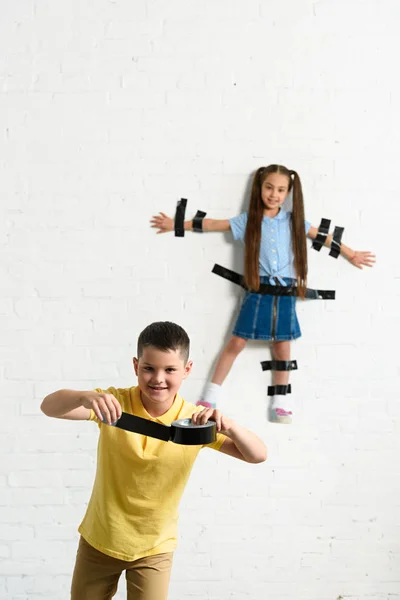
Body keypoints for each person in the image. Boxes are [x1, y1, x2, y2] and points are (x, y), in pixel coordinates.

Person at [40, 321, 267, 600]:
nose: (158, 378)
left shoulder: (195, 423)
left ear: (187, 370)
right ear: (136, 366)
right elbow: (49, 408)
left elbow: (257, 455)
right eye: (149, 368)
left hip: (154, 549)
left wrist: (229, 426)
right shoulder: (114, 405)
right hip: (99, 539)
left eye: (170, 369)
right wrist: (84, 397)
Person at [151, 164, 376, 423]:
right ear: (260, 188)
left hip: (286, 293)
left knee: (282, 347)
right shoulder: (249, 220)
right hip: (259, 291)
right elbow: (214, 223)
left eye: (281, 190)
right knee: (236, 343)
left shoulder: (294, 222)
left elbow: (323, 237)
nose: (274, 194)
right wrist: (177, 223)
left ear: (289, 192)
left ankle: (281, 402)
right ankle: (209, 397)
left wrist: (351, 253)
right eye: (269, 187)